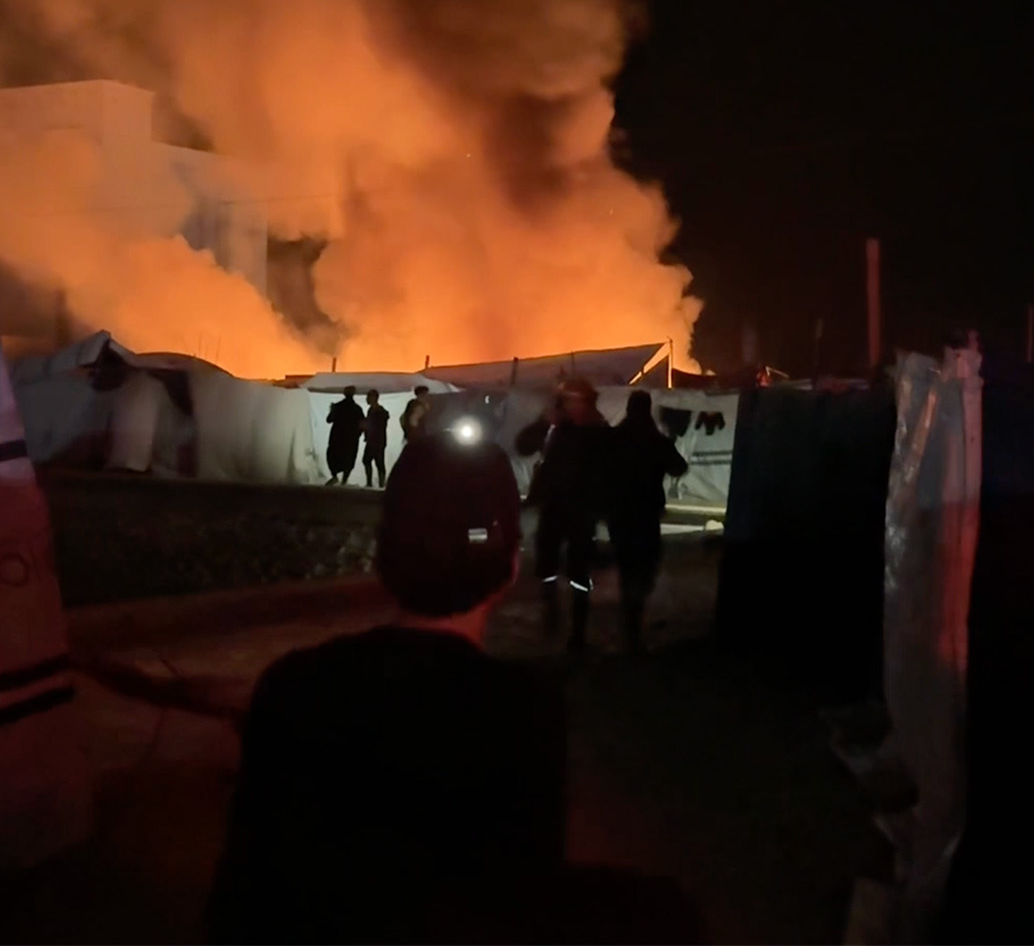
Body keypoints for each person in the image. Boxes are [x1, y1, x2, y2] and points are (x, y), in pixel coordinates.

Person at [205, 434, 564, 943]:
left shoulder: (295, 687)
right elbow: (526, 900)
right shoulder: (525, 711)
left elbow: (240, 900)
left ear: (382, 556)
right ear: (511, 566)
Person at [514, 378, 611, 651]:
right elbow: (523, 446)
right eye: (568, 400)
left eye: (577, 400)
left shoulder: (599, 430)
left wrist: (603, 506)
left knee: (580, 570)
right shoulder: (554, 426)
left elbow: (609, 471)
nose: (572, 406)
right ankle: (551, 611)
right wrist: (543, 422)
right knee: (547, 563)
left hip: (583, 511)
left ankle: (578, 633)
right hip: (553, 507)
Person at [608, 390, 688, 653]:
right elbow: (679, 467)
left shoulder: (615, 438)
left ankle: (628, 624)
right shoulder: (655, 440)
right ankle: (633, 625)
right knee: (644, 567)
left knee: (627, 566)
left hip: (620, 514)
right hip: (645, 514)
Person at [325, 385, 363, 485]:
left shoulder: (338, 406)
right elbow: (362, 424)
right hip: (350, 439)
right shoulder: (357, 408)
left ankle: (336, 477)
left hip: (338, 438)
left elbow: (329, 419)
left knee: (334, 457)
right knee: (348, 459)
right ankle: (343, 480)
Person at [362, 388, 391, 487]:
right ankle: (371, 482)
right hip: (372, 440)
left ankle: (381, 484)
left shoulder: (380, 411)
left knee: (378, 462)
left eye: (368, 397)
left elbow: (378, 426)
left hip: (378, 441)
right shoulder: (371, 410)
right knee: (367, 460)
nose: (367, 399)